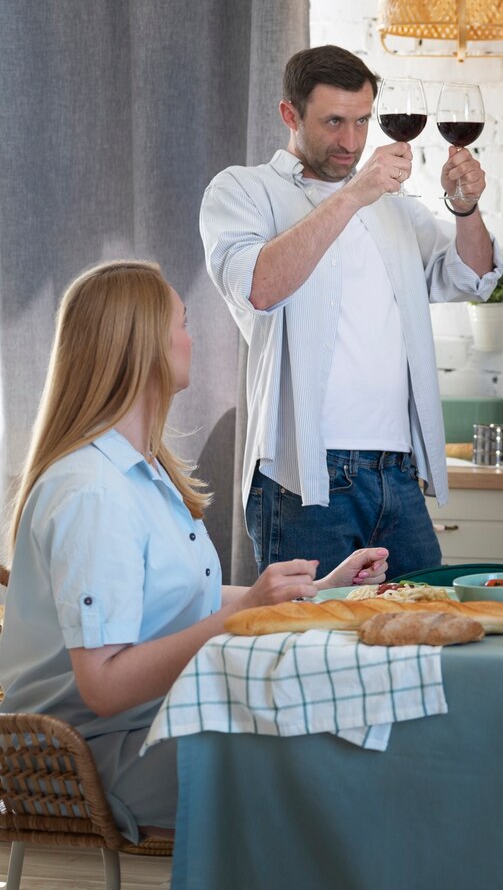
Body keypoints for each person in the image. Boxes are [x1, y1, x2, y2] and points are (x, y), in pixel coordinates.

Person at [0, 261, 389, 842]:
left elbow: (184, 598)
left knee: (337, 736)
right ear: (142, 346)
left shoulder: (142, 474)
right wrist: (243, 612)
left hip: (152, 724)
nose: (192, 336)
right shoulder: (91, 491)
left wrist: (318, 590)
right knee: (324, 765)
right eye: (181, 323)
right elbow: (103, 687)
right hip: (93, 757)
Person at [199, 44, 503, 580]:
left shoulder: (394, 207)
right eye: (334, 122)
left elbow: (470, 277)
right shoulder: (243, 190)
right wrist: (354, 194)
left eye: (363, 121)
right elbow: (259, 288)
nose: (352, 141)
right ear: (289, 115)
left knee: (420, 638)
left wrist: (466, 209)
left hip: (398, 474)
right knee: (312, 646)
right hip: (305, 477)